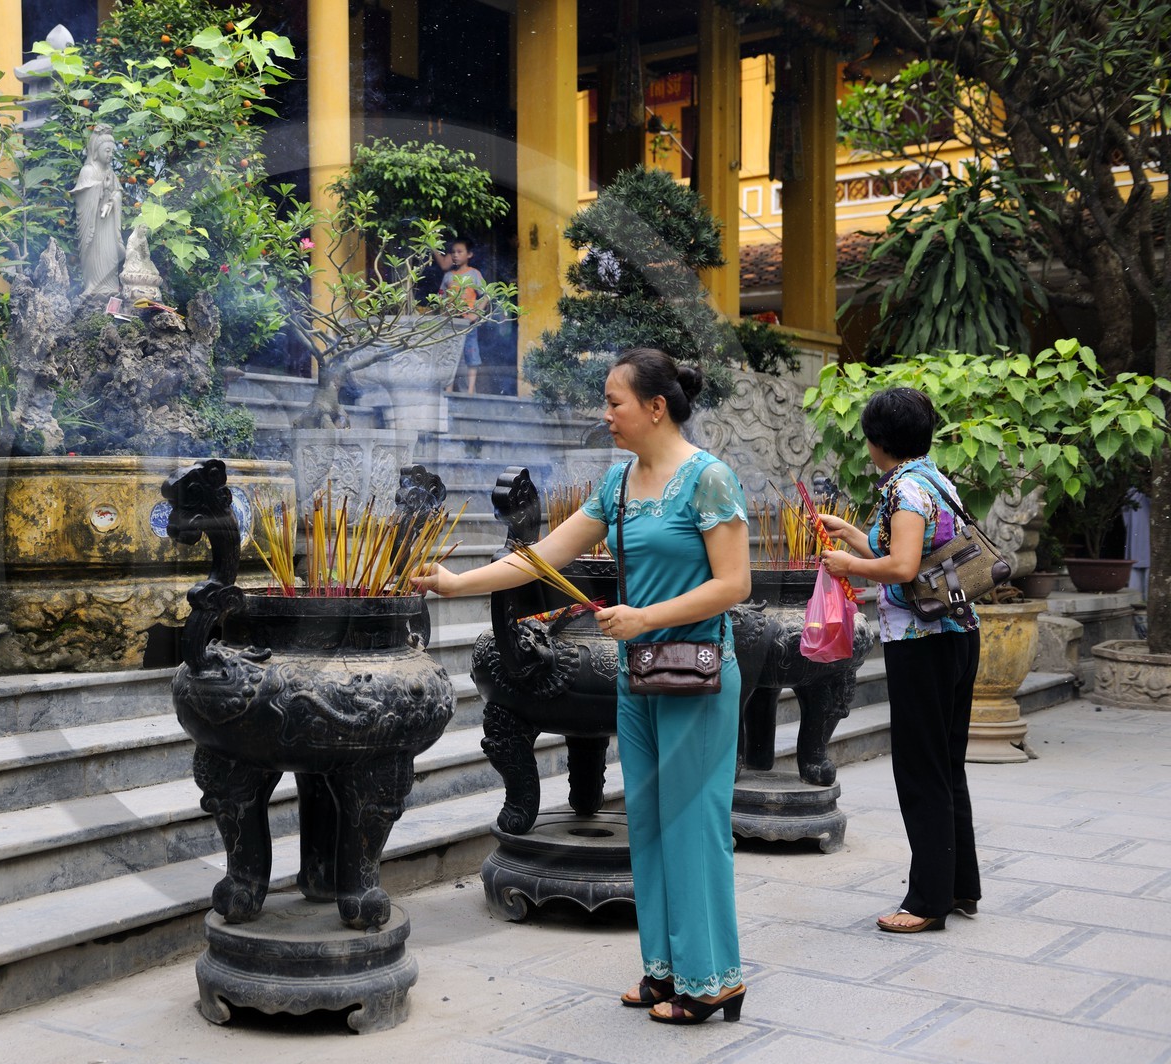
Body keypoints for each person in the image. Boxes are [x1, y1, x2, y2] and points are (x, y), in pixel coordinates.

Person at [415, 347, 751, 1024]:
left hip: (697, 672)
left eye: (615, 402)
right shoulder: (620, 484)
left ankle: (713, 977)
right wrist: (456, 585)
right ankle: (665, 970)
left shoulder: (710, 480)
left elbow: (734, 585)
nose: (607, 415)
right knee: (650, 826)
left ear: (655, 407)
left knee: (694, 825)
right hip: (639, 674)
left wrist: (644, 617)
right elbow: (539, 558)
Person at [817, 386, 982, 934]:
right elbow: (916, 555)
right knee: (946, 764)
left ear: (877, 441)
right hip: (957, 633)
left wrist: (847, 562)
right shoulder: (934, 479)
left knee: (920, 769)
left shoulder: (905, 489)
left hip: (923, 642)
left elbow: (905, 567)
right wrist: (858, 540)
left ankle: (926, 901)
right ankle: (959, 887)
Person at [73, 126, 127, 297]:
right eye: (107, 151)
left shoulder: (110, 171)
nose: (110, 155)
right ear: (96, 151)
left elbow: (118, 192)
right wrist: (101, 188)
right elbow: (82, 197)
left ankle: (111, 287)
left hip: (108, 224)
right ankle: (93, 286)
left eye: (112, 151)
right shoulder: (88, 171)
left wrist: (111, 201)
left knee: (110, 254)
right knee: (96, 255)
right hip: (94, 226)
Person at [441, 238, 486, 394]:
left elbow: (486, 295)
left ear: (469, 254)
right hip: (452, 323)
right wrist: (444, 314)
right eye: (453, 252)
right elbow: (441, 297)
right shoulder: (448, 276)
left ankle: (470, 391)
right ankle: (448, 389)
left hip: (468, 323)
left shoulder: (474, 274)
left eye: (460, 252)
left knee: (471, 354)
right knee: (450, 356)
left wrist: (475, 314)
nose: (455, 255)